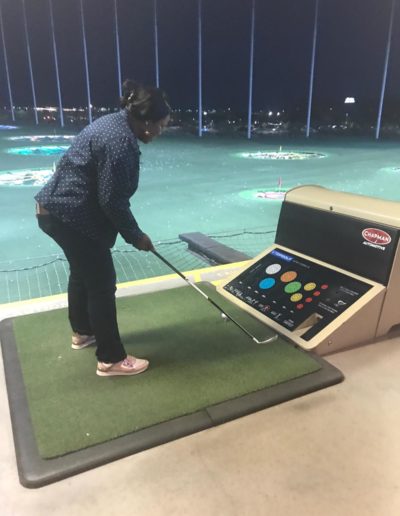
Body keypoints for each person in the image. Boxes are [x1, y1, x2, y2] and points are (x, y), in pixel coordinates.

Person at [34, 79, 171, 377]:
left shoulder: (114, 123)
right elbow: (112, 200)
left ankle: (82, 332)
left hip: (53, 210)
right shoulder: (120, 142)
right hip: (69, 216)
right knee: (101, 283)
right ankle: (111, 359)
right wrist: (136, 236)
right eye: (161, 126)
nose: (161, 132)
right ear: (146, 122)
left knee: (83, 272)